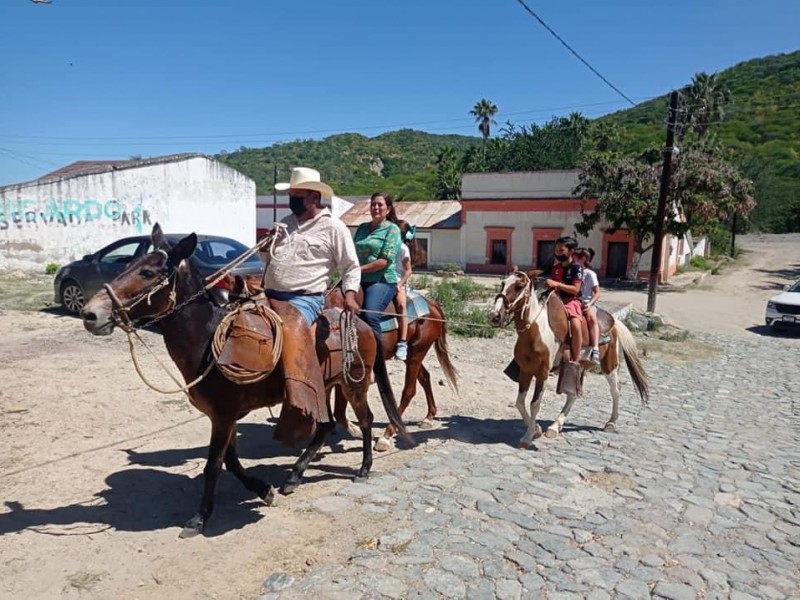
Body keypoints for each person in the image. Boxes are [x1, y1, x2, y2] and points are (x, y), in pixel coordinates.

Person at [262, 167, 361, 447]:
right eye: (290, 194)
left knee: (291, 334)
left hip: (304, 299)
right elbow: (268, 259)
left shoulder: (334, 227)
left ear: (314, 196)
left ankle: (300, 403)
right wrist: (268, 244)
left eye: (297, 195)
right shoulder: (285, 222)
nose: (291, 199)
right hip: (269, 293)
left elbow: (350, 266)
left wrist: (350, 293)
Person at [353, 192, 403, 352]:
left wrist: (357, 269)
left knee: (370, 315)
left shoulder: (393, 230)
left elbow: (384, 261)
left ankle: (376, 360)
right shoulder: (361, 228)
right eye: (373, 204)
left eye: (380, 204)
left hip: (381, 280)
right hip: (357, 278)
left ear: (388, 209)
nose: (375, 207)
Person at [545, 236, 584, 364]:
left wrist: (556, 284)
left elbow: (575, 289)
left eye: (561, 250)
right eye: (556, 250)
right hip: (556, 299)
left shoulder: (576, 268)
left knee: (576, 325)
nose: (558, 253)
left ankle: (575, 360)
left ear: (571, 251)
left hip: (570, 300)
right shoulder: (556, 267)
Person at [393, 220, 415, 361]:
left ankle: (402, 342)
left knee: (401, 305)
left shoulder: (402, 248)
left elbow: (408, 271)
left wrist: (400, 284)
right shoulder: (386, 245)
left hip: (397, 281)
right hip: (382, 279)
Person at [576, 247, 601, 365]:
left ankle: (595, 348)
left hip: (585, 302)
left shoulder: (590, 274)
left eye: (575, 258)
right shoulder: (572, 271)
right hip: (573, 301)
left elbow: (598, 292)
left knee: (591, 318)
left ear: (582, 259)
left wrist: (590, 303)